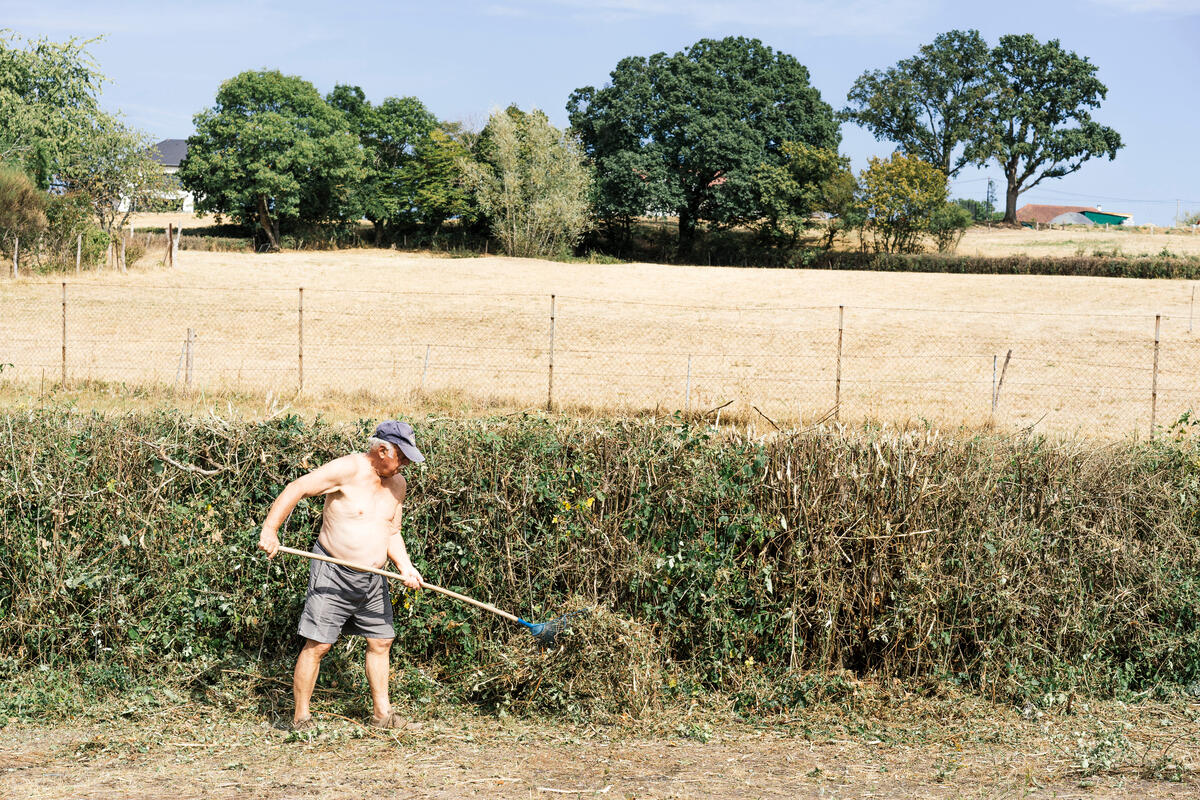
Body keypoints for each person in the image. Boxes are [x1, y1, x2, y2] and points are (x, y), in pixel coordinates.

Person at [258, 420, 425, 730]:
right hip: (333, 570)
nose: (403, 465)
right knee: (319, 644)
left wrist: (405, 567)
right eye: (400, 457)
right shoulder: (347, 470)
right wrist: (270, 530)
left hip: (374, 577)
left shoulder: (397, 484)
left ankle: (382, 715)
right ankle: (301, 719)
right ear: (382, 449)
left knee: (381, 641)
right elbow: (297, 487)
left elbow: (392, 530)